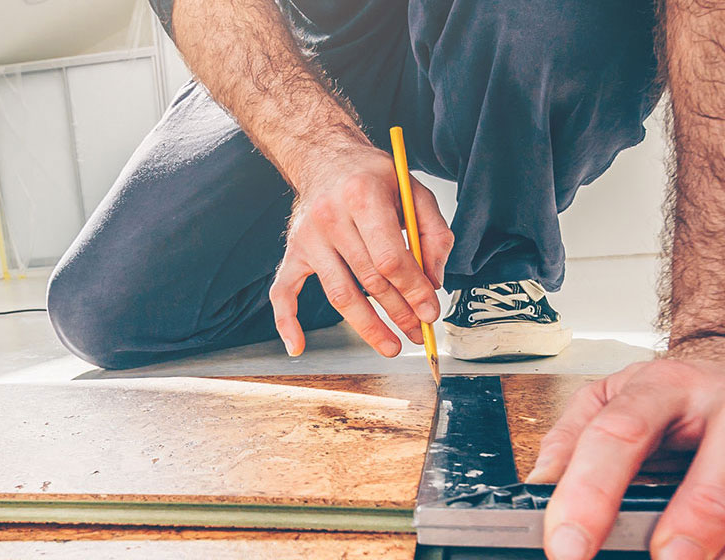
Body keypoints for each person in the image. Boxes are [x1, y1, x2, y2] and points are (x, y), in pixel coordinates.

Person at [47, 1, 725, 557]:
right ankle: (338, 263)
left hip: (522, 23)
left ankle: (502, 256)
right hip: (317, 42)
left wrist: (714, 329)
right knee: (105, 307)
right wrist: (317, 153)